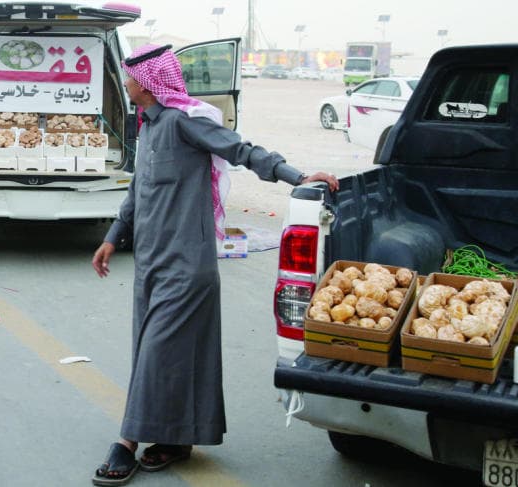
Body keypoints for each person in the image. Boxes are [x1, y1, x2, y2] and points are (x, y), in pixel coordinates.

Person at [89, 44, 339, 486]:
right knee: (167, 354)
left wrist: (298, 176)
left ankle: (127, 440)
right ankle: (177, 439)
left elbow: (241, 149)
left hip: (188, 265)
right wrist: (112, 238)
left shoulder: (185, 122)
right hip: (150, 264)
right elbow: (138, 192)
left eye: (129, 77)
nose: (125, 83)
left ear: (147, 83)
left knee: (155, 353)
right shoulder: (147, 127)